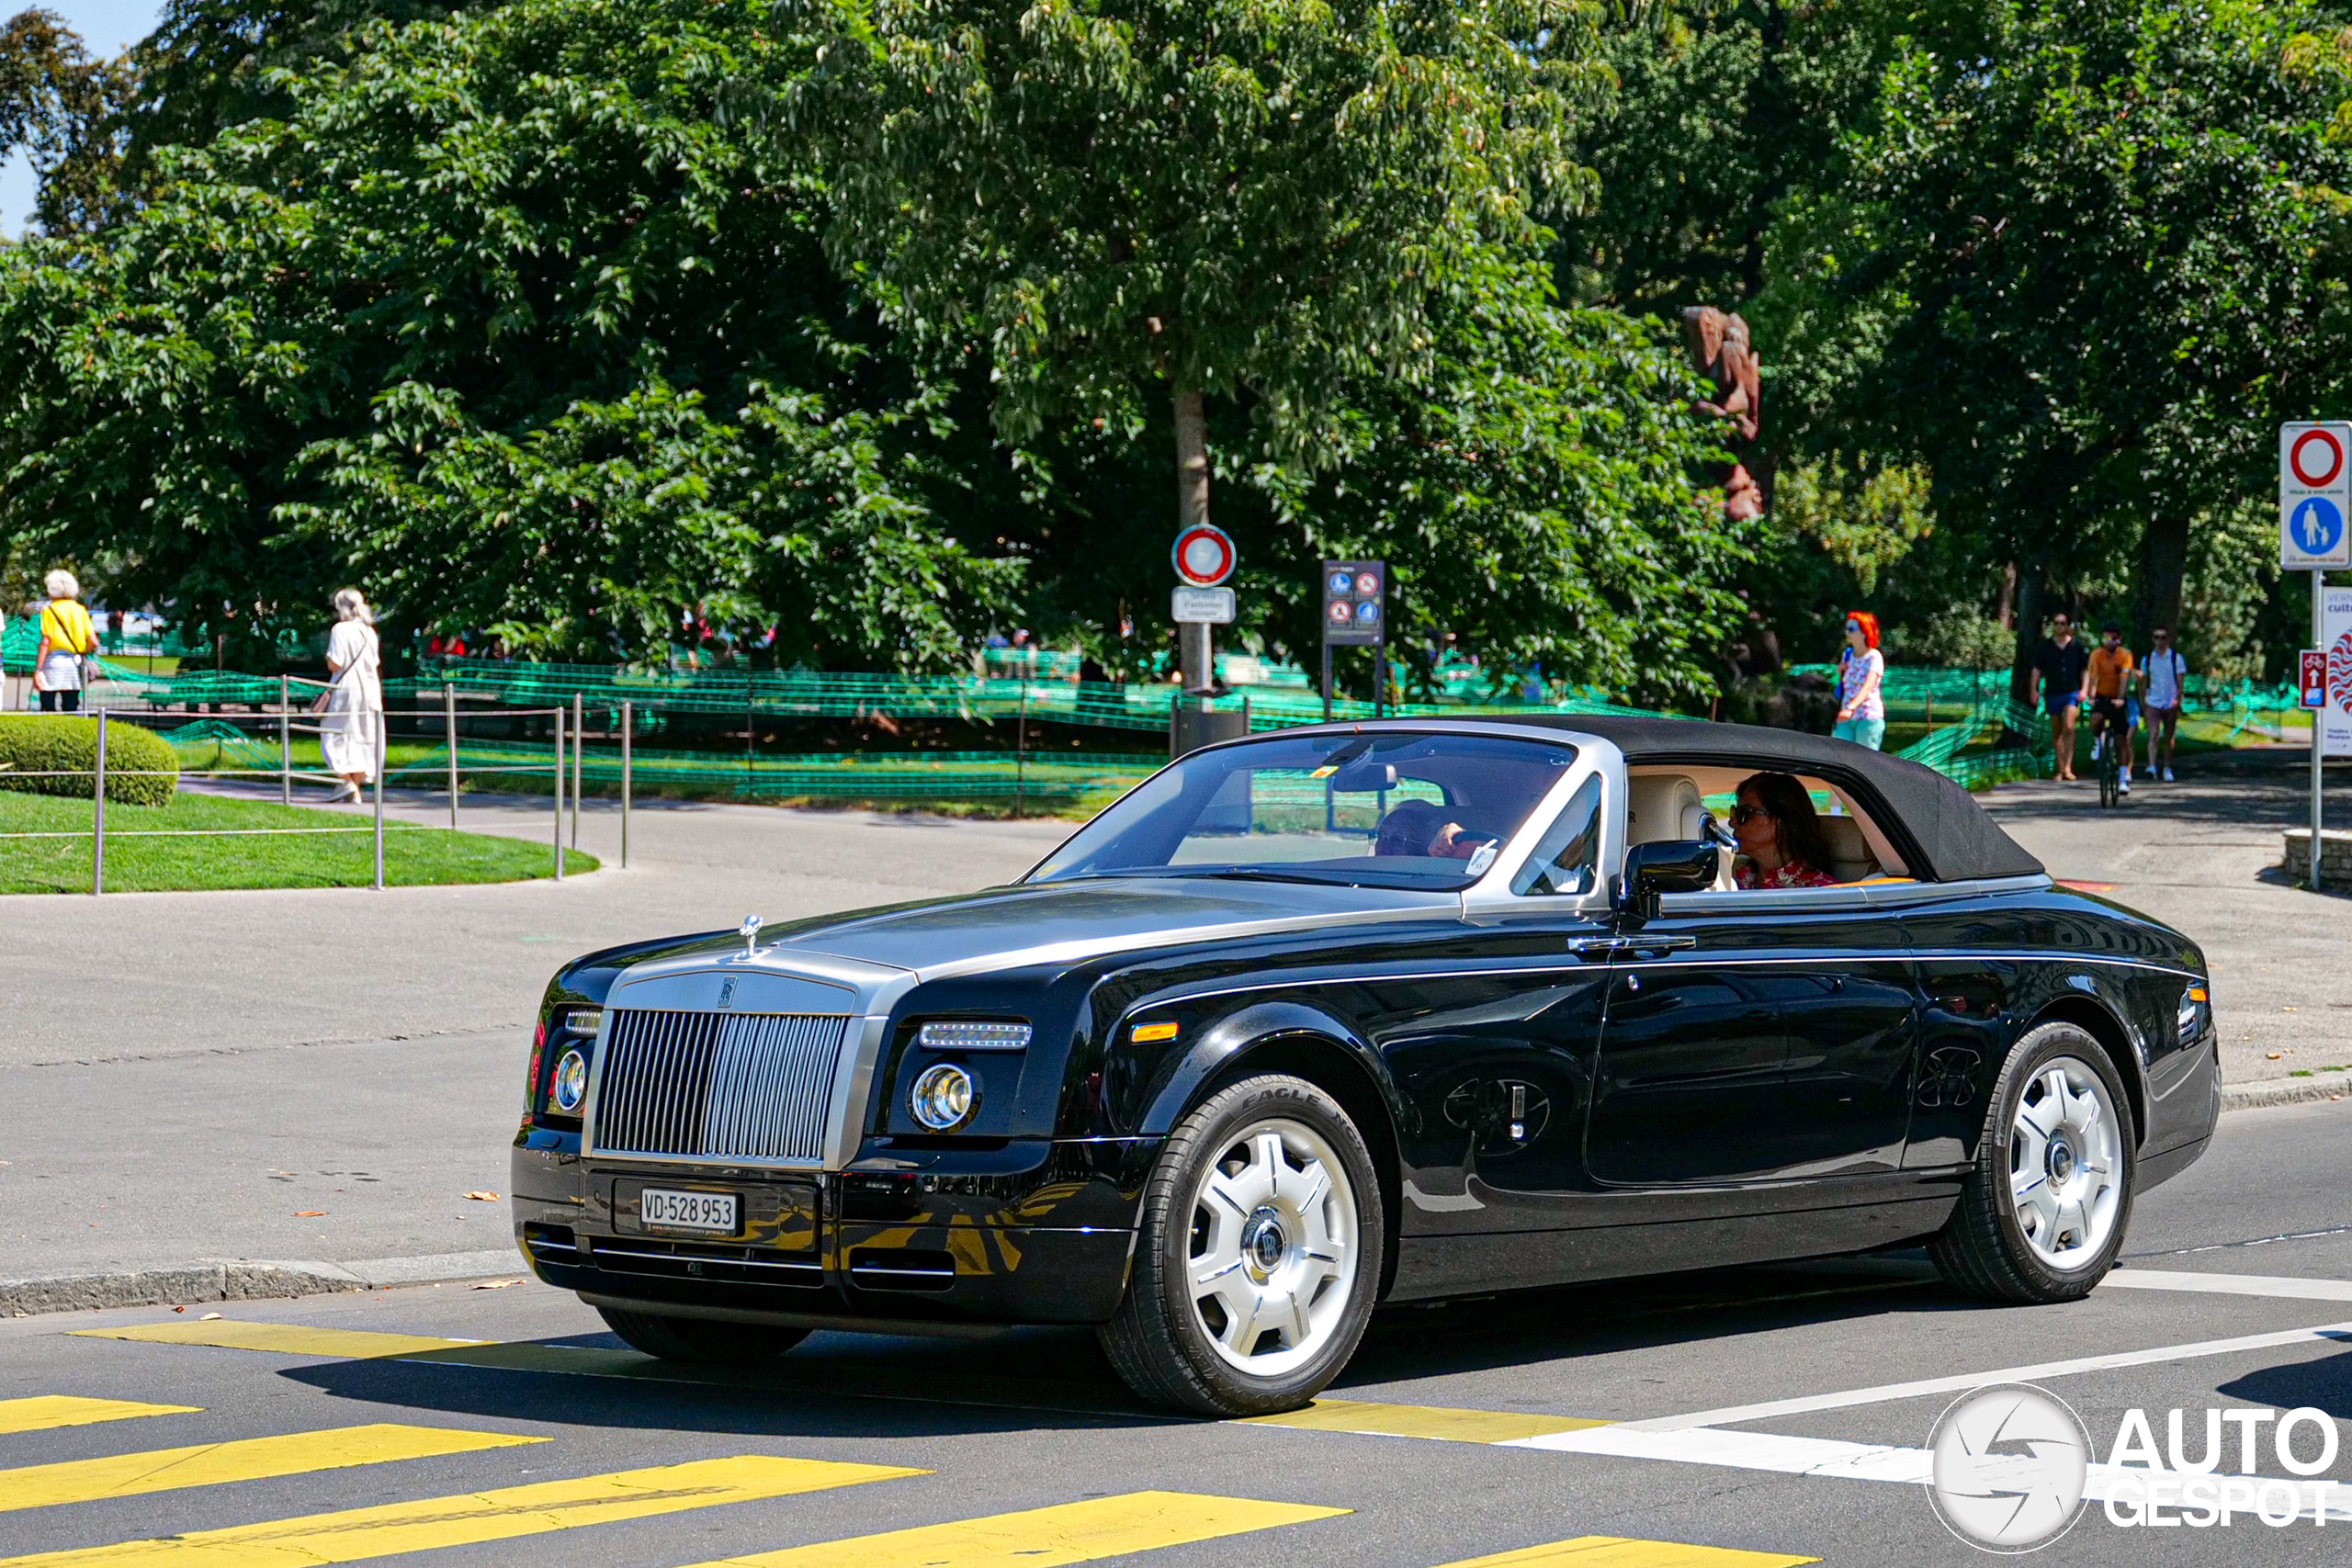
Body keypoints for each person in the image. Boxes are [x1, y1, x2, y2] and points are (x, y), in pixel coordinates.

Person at [319, 588, 383, 803]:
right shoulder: (369, 632)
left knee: (333, 733)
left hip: (346, 689)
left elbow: (335, 663)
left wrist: (327, 659)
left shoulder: (340, 629)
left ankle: (346, 780)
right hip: (371, 690)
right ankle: (353, 787)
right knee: (362, 735)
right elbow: (374, 663)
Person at [1730, 771, 1838, 888]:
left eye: (1744, 813)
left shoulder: (1820, 891)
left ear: (1780, 822)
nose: (1732, 822)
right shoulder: (1730, 878)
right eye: (1735, 813)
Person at [2031, 612, 2090, 782]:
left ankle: (2068, 767)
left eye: (2063, 623)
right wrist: (2034, 690)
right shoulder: (2044, 647)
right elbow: (2036, 669)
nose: (2059, 627)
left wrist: (2084, 689)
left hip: (2071, 691)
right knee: (2056, 731)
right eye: (2056, 623)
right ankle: (2060, 767)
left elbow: (2085, 669)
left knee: (2069, 727)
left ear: (2068, 626)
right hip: (2052, 692)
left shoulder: (2076, 646)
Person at [2082, 621, 2136, 795]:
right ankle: (2098, 742)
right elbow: (2092, 676)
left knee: (2121, 739)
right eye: (2105, 637)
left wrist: (2120, 698)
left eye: (2112, 638)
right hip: (2101, 695)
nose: (2109, 641)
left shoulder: (2125, 655)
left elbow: (2125, 677)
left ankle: (2122, 778)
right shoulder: (2096, 654)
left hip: (2118, 697)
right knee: (2096, 719)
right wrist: (2091, 696)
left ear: (2119, 639)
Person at [32, 570, 96, 714]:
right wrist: (84, 651)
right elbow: (93, 641)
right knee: (71, 706)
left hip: (53, 663)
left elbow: (46, 642)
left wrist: (38, 670)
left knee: (48, 706)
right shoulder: (80, 610)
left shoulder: (49, 610)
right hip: (74, 662)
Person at [1833, 611, 1886, 750]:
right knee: (1839, 754)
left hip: (1867, 717)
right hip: (1846, 717)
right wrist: (1841, 670)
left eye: (1852, 629)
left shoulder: (1874, 657)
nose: (1847, 632)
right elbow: (1846, 685)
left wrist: (1851, 708)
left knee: (1866, 761)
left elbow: (1868, 686)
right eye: (1846, 628)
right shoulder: (1848, 654)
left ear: (1864, 632)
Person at [1373, 799, 1492, 861]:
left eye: (1398, 840)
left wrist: (1462, 841)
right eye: (1381, 835)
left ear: (1429, 844)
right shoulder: (1359, 880)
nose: (1383, 847)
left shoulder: (1448, 885)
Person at [2141, 626, 2187, 783]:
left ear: (2168, 639)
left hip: (2170, 702)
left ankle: (2167, 767)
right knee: (2153, 734)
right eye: (2156, 637)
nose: (2160, 641)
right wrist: (2144, 702)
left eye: (2163, 637)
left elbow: (2181, 683)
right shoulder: (2147, 659)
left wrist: (2178, 700)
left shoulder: (2176, 658)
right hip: (2153, 701)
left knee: (2168, 736)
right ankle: (2152, 765)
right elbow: (2144, 682)